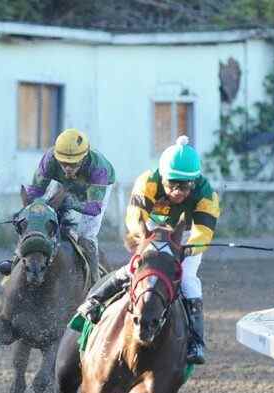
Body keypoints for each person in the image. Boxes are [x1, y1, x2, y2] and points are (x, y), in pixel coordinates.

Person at [76, 135, 220, 365]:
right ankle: (94, 301)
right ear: (162, 176)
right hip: (151, 230)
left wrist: (184, 248)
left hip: (185, 238)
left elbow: (203, 233)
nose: (178, 191)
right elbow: (134, 218)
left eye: (185, 185)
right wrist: (147, 239)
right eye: (172, 183)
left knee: (189, 280)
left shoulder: (206, 194)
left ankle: (196, 341)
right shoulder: (148, 181)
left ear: (195, 181)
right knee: (136, 270)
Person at [8, 128, 115, 282]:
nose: (67, 168)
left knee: (85, 236)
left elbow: (94, 209)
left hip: (94, 191)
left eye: (73, 164)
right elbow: (35, 191)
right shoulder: (50, 159)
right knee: (36, 221)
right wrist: (27, 212)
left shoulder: (98, 168)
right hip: (64, 185)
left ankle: (94, 281)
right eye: (64, 163)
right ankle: (15, 262)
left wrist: (73, 203)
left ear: (84, 158)